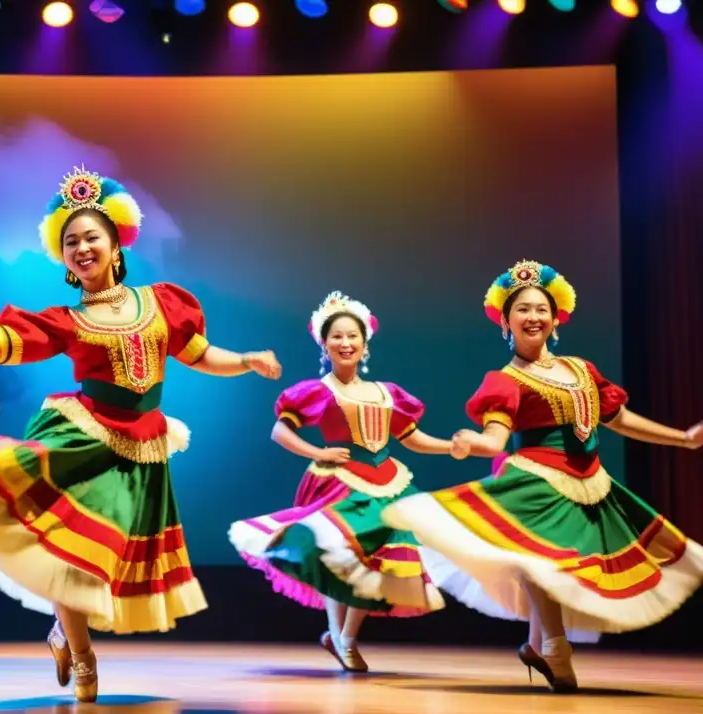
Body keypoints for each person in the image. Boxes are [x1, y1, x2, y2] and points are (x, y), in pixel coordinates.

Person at [0, 165, 282, 703]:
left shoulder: (163, 303)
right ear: (64, 258)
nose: (82, 247)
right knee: (70, 552)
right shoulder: (65, 321)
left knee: (107, 557)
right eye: (71, 242)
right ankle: (84, 655)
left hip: (142, 451)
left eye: (91, 236)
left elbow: (201, 355)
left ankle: (61, 632)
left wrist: (247, 360)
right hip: (82, 443)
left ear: (116, 244)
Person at [381, 260, 703, 692]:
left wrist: (682, 438)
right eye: (523, 311)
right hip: (536, 479)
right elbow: (495, 440)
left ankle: (536, 647)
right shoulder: (506, 380)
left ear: (555, 319)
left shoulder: (581, 370)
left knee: (564, 563)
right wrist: (469, 443)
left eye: (541, 310)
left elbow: (618, 417)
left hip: (592, 483)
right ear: (506, 322)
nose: (533, 317)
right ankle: (555, 647)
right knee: (538, 559)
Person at [228, 292, 451, 672]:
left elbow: (412, 438)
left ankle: (344, 637)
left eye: (353, 336)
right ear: (324, 343)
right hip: (341, 482)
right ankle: (339, 634)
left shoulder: (386, 393)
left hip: (389, 483)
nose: (345, 343)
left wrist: (453, 447)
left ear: (365, 343)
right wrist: (318, 452)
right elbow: (280, 432)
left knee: (377, 563)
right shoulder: (318, 391)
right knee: (338, 555)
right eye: (337, 337)